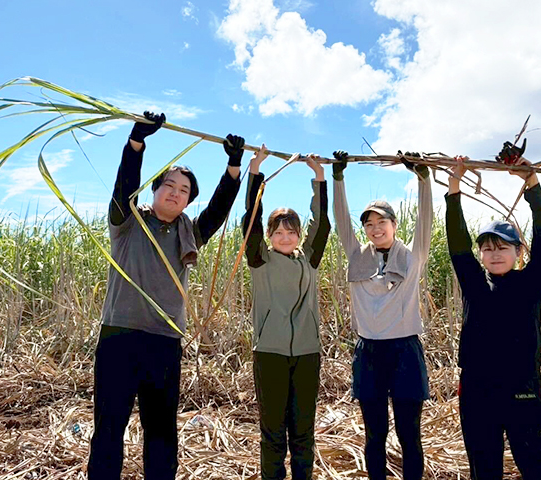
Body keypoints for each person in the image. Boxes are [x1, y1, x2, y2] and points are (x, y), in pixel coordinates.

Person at [88, 111, 245, 480]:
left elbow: (218, 210)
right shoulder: (127, 222)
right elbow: (124, 185)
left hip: (164, 343)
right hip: (119, 338)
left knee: (161, 432)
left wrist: (233, 167)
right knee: (109, 428)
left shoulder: (189, 233)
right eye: (169, 185)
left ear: (188, 202)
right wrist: (136, 142)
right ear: (155, 189)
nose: (176, 193)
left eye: (184, 191)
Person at [445, 142, 541, 480]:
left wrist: (531, 182)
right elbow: (457, 242)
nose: (494, 254)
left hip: (524, 389)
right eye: (488, 248)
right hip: (478, 391)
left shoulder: (531, 282)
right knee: (484, 470)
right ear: (480, 254)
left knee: (539, 469)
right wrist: (454, 186)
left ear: (518, 252)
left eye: (503, 247)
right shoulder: (474, 284)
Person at [331, 150, 433, 480]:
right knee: (374, 435)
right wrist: (337, 177)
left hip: (405, 352)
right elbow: (341, 220)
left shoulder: (413, 256)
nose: (375, 229)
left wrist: (423, 179)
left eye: (382, 222)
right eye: (369, 224)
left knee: (409, 435)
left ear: (394, 225)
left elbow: (426, 220)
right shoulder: (357, 255)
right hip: (369, 353)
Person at [242, 145, 331, 480]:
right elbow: (250, 220)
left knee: (303, 432)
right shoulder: (259, 260)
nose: (284, 237)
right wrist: (255, 172)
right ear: (269, 235)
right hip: (270, 354)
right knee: (273, 433)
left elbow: (322, 226)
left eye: (290, 232)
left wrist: (319, 178)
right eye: (278, 232)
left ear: (298, 235)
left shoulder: (309, 260)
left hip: (307, 354)